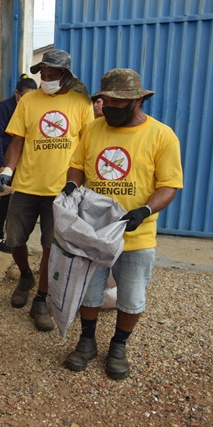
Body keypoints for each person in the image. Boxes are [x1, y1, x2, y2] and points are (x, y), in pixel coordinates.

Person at [62, 68, 183, 380]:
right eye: (106, 102)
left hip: (135, 235)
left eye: (117, 104)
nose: (109, 109)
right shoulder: (93, 129)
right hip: (94, 232)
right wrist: (72, 185)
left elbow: (169, 185)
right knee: (88, 292)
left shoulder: (162, 136)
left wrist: (145, 210)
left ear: (137, 101)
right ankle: (87, 341)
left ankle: (118, 346)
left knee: (131, 297)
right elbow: (77, 165)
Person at [0, 49, 94, 331]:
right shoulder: (28, 101)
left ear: (65, 76)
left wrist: (82, 183)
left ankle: (41, 298)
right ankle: (26, 275)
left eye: (52, 75)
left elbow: (88, 146)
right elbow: (17, 141)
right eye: (43, 75)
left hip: (62, 190)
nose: (46, 80)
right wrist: (7, 170)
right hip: (26, 185)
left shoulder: (80, 104)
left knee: (51, 246)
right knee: (14, 239)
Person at [0, 74, 38, 253]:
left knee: (18, 199)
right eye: (25, 96)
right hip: (6, 160)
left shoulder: (32, 108)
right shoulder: (5, 107)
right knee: (5, 198)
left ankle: (13, 237)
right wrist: (2, 165)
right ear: (17, 94)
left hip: (22, 160)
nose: (28, 100)